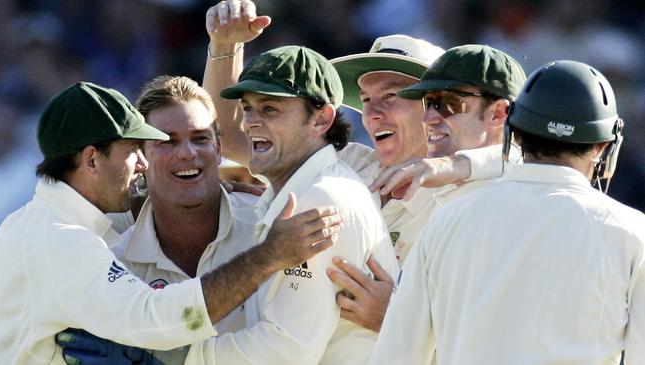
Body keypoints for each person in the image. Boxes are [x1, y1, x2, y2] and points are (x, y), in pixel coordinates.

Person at [204, 0, 526, 333]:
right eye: (365, 99)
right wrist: (225, 47)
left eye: (392, 96)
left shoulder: (482, 191)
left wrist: (400, 320)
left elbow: (500, 335)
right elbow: (234, 140)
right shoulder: (350, 164)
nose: (371, 114)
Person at [0, 81, 343, 364]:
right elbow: (158, 319)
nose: (142, 163)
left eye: (200, 138)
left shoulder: (33, 227)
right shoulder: (66, 242)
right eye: (134, 149)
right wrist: (268, 256)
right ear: (91, 160)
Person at [372, 60, 645, 364]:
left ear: (513, 132)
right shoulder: (633, 232)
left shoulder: (448, 219)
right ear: (603, 146)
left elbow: (397, 356)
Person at [193, 44, 398, 364]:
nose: (249, 123)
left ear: (321, 119)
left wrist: (176, 355)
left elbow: (287, 349)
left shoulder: (319, 198)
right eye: (247, 108)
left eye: (270, 109)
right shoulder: (310, 187)